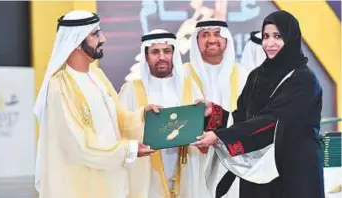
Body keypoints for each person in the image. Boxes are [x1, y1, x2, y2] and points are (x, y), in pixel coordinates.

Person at [193, 10, 324, 198]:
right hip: (258, 174)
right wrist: (214, 113)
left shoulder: (304, 80)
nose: (270, 43)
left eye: (278, 36)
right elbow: (243, 117)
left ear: (291, 37)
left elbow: (273, 121)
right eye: (265, 36)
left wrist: (220, 136)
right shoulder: (256, 76)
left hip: (294, 171)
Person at [33, 10, 158, 198]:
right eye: (95, 34)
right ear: (76, 42)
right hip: (80, 187)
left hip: (111, 181)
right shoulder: (59, 86)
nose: (103, 39)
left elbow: (119, 119)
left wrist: (143, 115)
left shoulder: (97, 75)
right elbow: (78, 145)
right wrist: (129, 150)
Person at [119, 29, 211, 198]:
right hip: (146, 173)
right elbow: (120, 128)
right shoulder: (131, 89)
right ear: (146, 56)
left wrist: (206, 117)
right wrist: (141, 115)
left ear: (173, 54)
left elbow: (202, 129)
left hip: (186, 166)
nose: (161, 57)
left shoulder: (189, 86)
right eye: (155, 52)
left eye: (167, 51)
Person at [183, 19, 239, 197]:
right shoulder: (181, 75)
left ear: (227, 40)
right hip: (193, 159)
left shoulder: (245, 75)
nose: (212, 39)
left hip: (234, 159)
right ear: (196, 41)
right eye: (205, 35)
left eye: (217, 34)